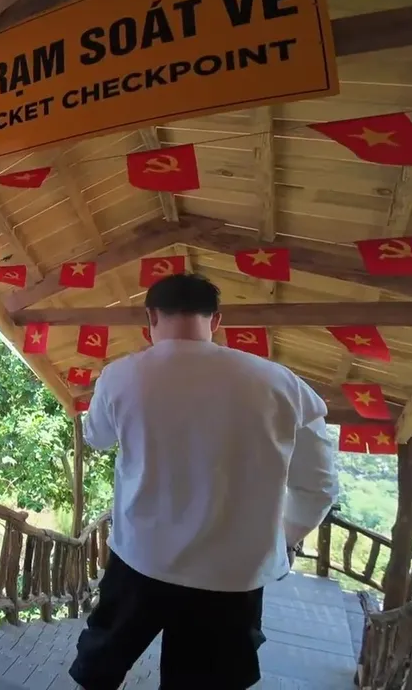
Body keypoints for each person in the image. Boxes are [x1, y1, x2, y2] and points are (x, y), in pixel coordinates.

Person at [67, 273, 338, 690]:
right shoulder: (282, 385)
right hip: (233, 574)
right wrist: (278, 538)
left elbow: (97, 437)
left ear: (151, 317)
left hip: (141, 556)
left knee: (101, 665)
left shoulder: (121, 376)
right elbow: (318, 487)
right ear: (215, 320)